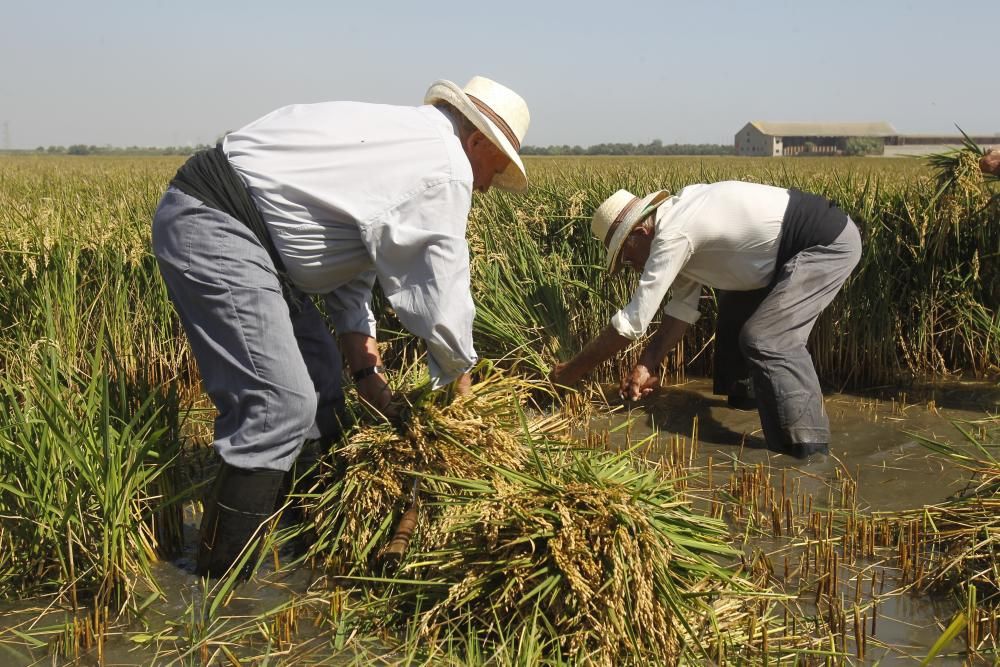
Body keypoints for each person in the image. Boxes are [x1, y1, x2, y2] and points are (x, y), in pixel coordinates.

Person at [152, 76, 530, 579]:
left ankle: (313, 531)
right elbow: (444, 297)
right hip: (220, 223)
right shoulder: (445, 167)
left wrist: (364, 372)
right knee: (279, 405)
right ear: (477, 141)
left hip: (261, 248)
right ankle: (219, 587)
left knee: (322, 378)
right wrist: (459, 387)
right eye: (495, 168)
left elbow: (352, 262)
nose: (486, 184)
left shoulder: (408, 147)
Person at [550, 181, 861, 459]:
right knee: (734, 316)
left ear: (640, 232)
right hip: (775, 257)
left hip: (824, 243)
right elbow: (682, 308)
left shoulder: (673, 233)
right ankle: (751, 410)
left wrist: (570, 372)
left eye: (626, 256)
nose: (630, 265)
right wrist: (647, 364)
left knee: (767, 338)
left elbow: (632, 322)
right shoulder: (678, 227)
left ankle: (807, 449)